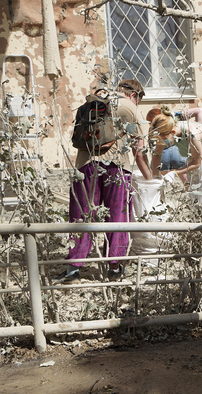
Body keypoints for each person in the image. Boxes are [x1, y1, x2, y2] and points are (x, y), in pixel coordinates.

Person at [55, 79, 151, 283]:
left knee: (82, 215)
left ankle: (73, 268)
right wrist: (150, 179)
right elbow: (140, 151)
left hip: (85, 166)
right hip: (116, 167)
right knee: (118, 216)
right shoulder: (130, 108)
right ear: (134, 95)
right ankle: (115, 267)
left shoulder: (93, 102)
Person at [150, 106, 202, 204]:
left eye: (163, 139)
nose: (162, 142)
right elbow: (157, 154)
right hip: (194, 159)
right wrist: (155, 177)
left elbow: (197, 163)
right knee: (194, 197)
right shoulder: (166, 130)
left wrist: (174, 173)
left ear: (173, 132)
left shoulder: (192, 135)